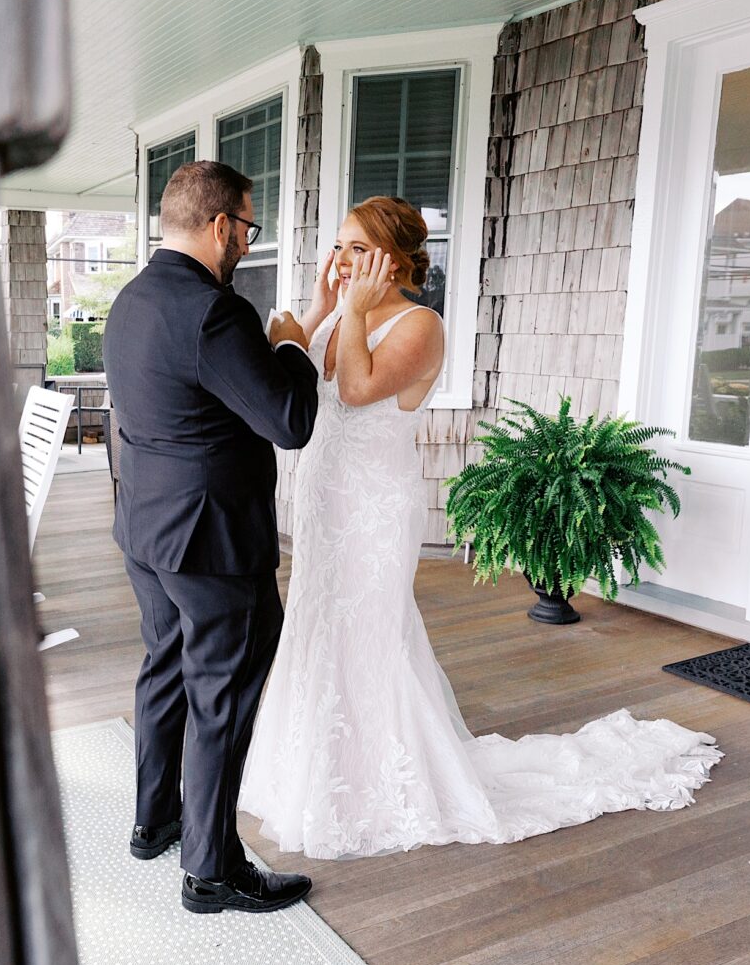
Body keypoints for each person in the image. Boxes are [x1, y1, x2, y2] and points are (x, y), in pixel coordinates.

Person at [239, 196, 722, 860]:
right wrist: (323, 307)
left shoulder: (420, 325)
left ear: (398, 259)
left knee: (367, 631)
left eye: (359, 249)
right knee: (318, 622)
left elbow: (352, 388)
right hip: (322, 500)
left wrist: (347, 315)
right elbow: (283, 365)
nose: (342, 260)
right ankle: (310, 771)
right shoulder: (341, 311)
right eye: (339, 246)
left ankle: (375, 780)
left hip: (373, 507)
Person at [102, 161, 320, 913]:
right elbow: (287, 422)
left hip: (145, 526)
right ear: (222, 224)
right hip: (212, 542)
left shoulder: (130, 300)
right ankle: (210, 872)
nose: (244, 244)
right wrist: (289, 345)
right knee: (221, 695)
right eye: (247, 227)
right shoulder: (214, 312)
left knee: (165, 668)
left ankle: (152, 819)